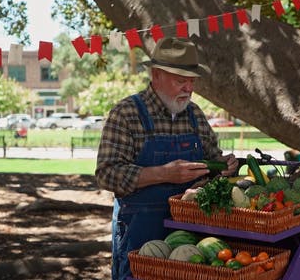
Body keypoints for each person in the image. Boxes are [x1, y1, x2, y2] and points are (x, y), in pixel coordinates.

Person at [95, 37, 238, 280]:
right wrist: (164, 173)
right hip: (140, 234)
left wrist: (223, 166)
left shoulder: (195, 114)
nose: (189, 89)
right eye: (181, 81)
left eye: (191, 81)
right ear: (156, 75)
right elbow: (107, 175)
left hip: (190, 235)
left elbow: (211, 162)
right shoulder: (127, 113)